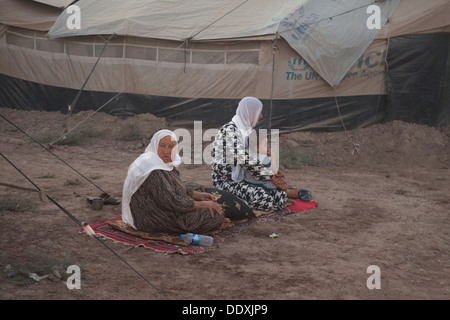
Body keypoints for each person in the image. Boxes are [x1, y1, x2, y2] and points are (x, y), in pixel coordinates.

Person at [122, 129, 230, 234]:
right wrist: (201, 204)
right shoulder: (152, 167)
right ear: (155, 145)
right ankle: (215, 223)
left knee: (202, 198)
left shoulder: (164, 163)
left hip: (162, 207)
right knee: (211, 213)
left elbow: (172, 187)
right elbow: (170, 201)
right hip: (150, 216)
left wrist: (198, 195)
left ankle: (215, 222)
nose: (166, 151)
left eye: (171, 146)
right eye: (162, 145)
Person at [211, 97, 288, 211]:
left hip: (246, 179)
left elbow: (256, 158)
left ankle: (241, 202)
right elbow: (245, 160)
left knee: (280, 194)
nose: (261, 116)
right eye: (259, 112)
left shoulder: (248, 132)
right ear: (251, 113)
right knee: (264, 198)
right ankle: (234, 202)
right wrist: (271, 177)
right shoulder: (229, 131)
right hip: (227, 182)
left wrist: (274, 172)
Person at [243, 130, 313, 201]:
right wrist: (272, 156)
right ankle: (287, 191)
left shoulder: (248, 156)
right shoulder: (262, 158)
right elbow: (273, 168)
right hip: (261, 185)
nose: (267, 147)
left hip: (249, 184)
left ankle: (287, 191)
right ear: (256, 148)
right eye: (265, 145)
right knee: (277, 184)